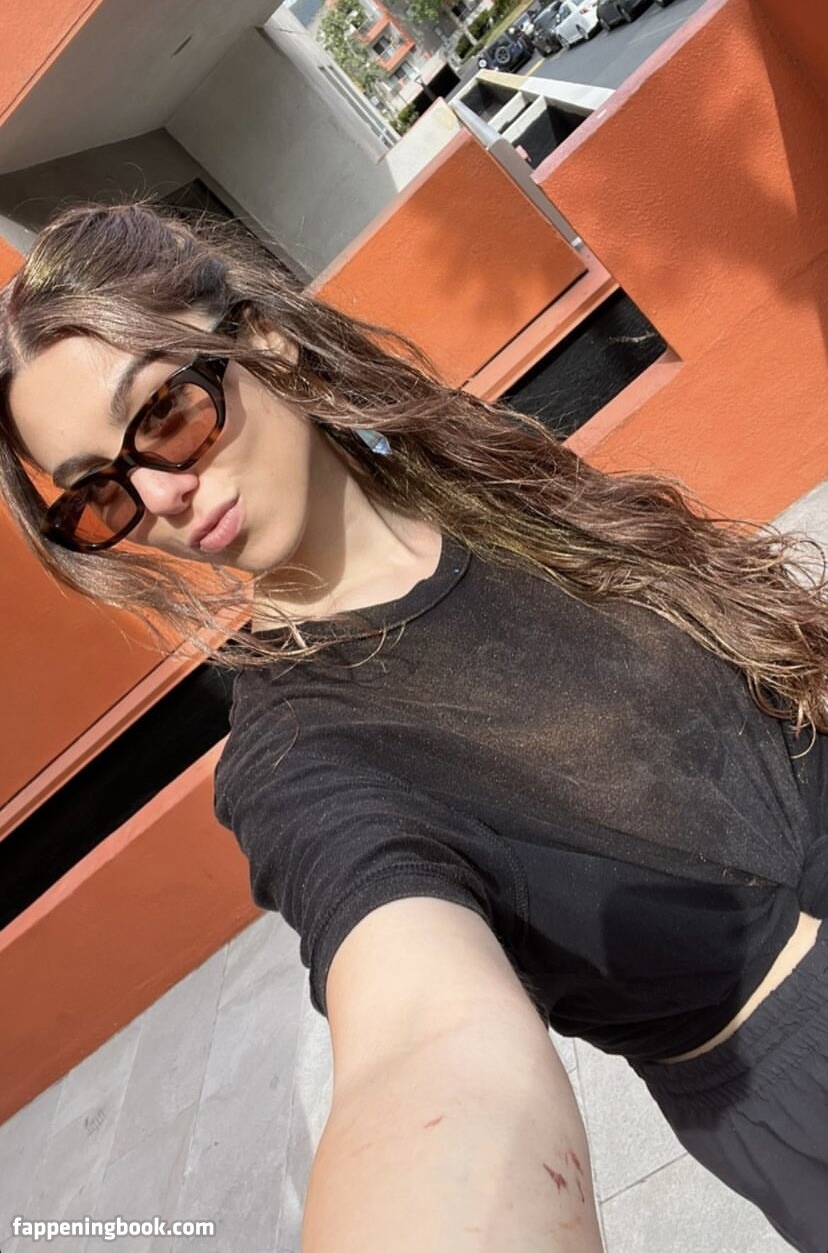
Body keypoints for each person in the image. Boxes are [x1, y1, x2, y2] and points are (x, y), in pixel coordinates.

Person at [0, 201, 825, 1253]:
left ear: (265, 342)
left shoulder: (486, 482)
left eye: (163, 412)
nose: (161, 495)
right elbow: (420, 1047)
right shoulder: (297, 760)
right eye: (100, 496)